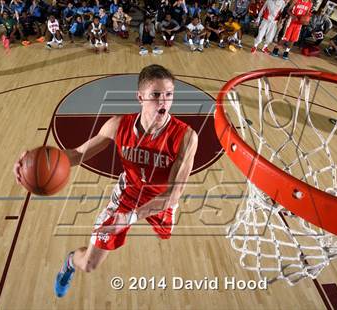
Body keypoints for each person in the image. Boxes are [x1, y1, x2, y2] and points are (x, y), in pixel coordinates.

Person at [13, 64, 199, 298]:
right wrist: (34, 159)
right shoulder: (118, 125)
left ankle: (133, 219)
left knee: (165, 234)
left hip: (160, 199)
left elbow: (172, 195)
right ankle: (71, 262)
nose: (163, 101)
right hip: (127, 197)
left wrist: (131, 218)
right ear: (140, 97)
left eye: (169, 95)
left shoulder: (186, 136)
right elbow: (78, 154)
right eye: (155, 95)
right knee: (89, 264)